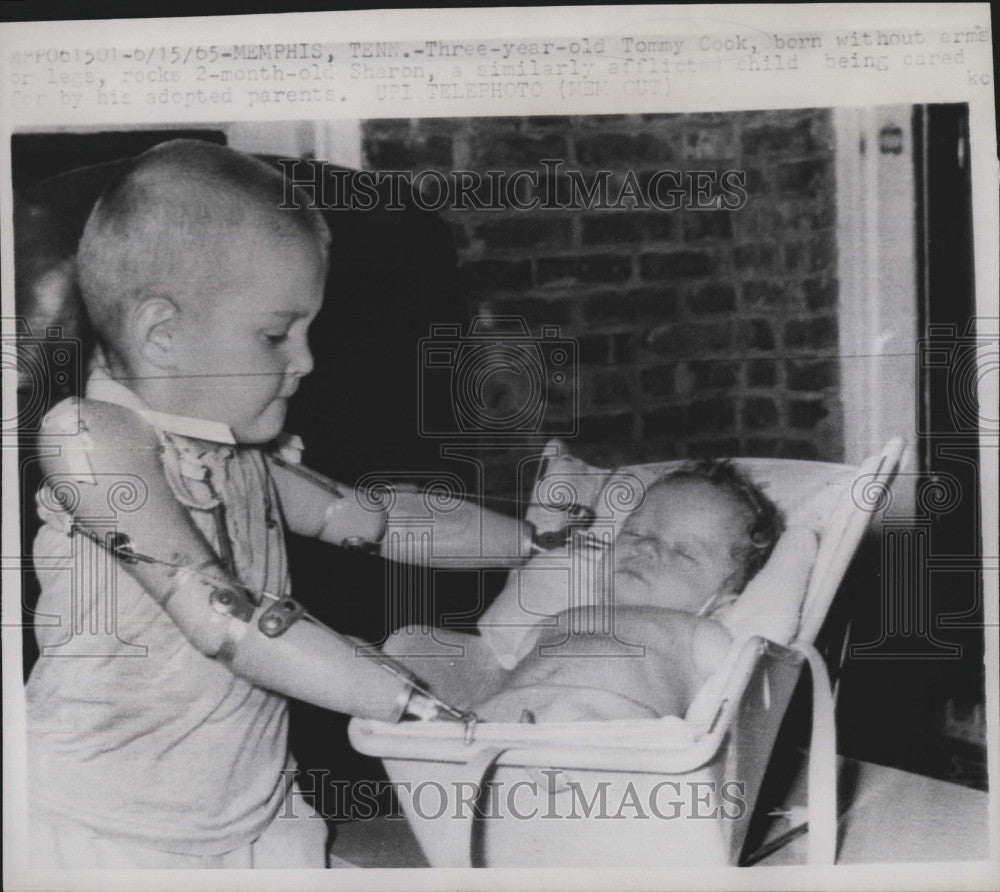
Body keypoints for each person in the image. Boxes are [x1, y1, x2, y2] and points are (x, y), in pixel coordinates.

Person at [24, 139, 536, 868]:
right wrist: (410, 703)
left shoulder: (239, 457)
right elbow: (219, 616)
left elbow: (382, 520)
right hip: (101, 832)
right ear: (163, 335)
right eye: (275, 334)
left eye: (308, 330)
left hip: (262, 817)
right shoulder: (90, 440)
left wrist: (536, 543)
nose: (307, 361)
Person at [473, 461, 784, 723]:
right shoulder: (561, 618)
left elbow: (734, 711)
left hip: (606, 748)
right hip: (495, 731)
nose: (645, 546)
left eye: (683, 552)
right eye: (634, 532)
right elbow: (503, 677)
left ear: (718, 605)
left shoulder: (698, 633)